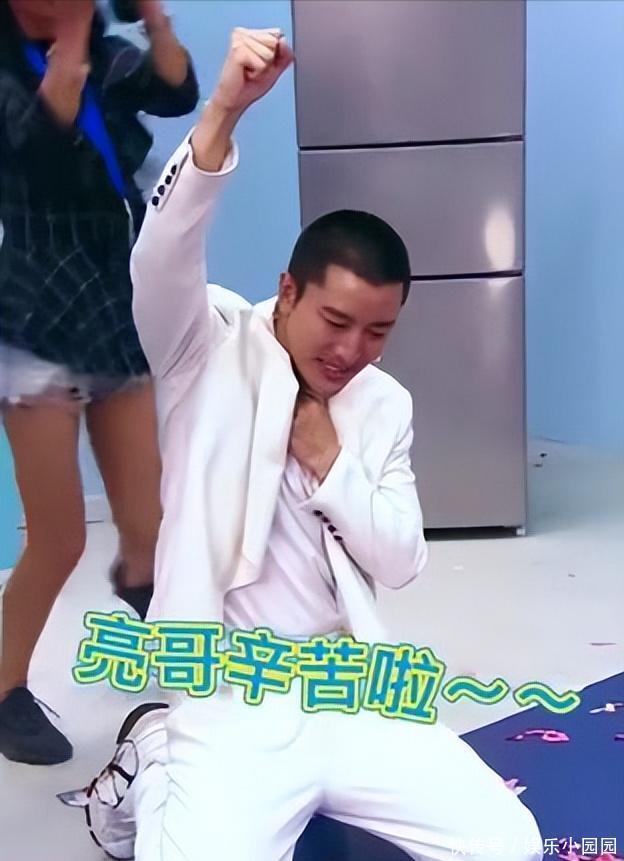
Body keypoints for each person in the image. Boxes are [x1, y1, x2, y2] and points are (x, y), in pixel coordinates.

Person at [81, 26, 543, 861]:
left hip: (348, 685)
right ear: (287, 289)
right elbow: (161, 258)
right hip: (231, 693)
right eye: (335, 320)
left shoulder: (383, 405)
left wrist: (329, 458)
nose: (352, 349)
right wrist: (224, 110)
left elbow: (400, 558)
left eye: (378, 331)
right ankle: (155, 756)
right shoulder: (205, 344)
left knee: (506, 845)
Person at [0, 0, 199, 766]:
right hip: (33, 313)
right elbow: (41, 147)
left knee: (151, 523)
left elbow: (177, 93)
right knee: (58, 536)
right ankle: (5, 689)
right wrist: (74, 35)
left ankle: (139, 577)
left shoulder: (110, 57)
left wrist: (152, 19)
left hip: (113, 300)